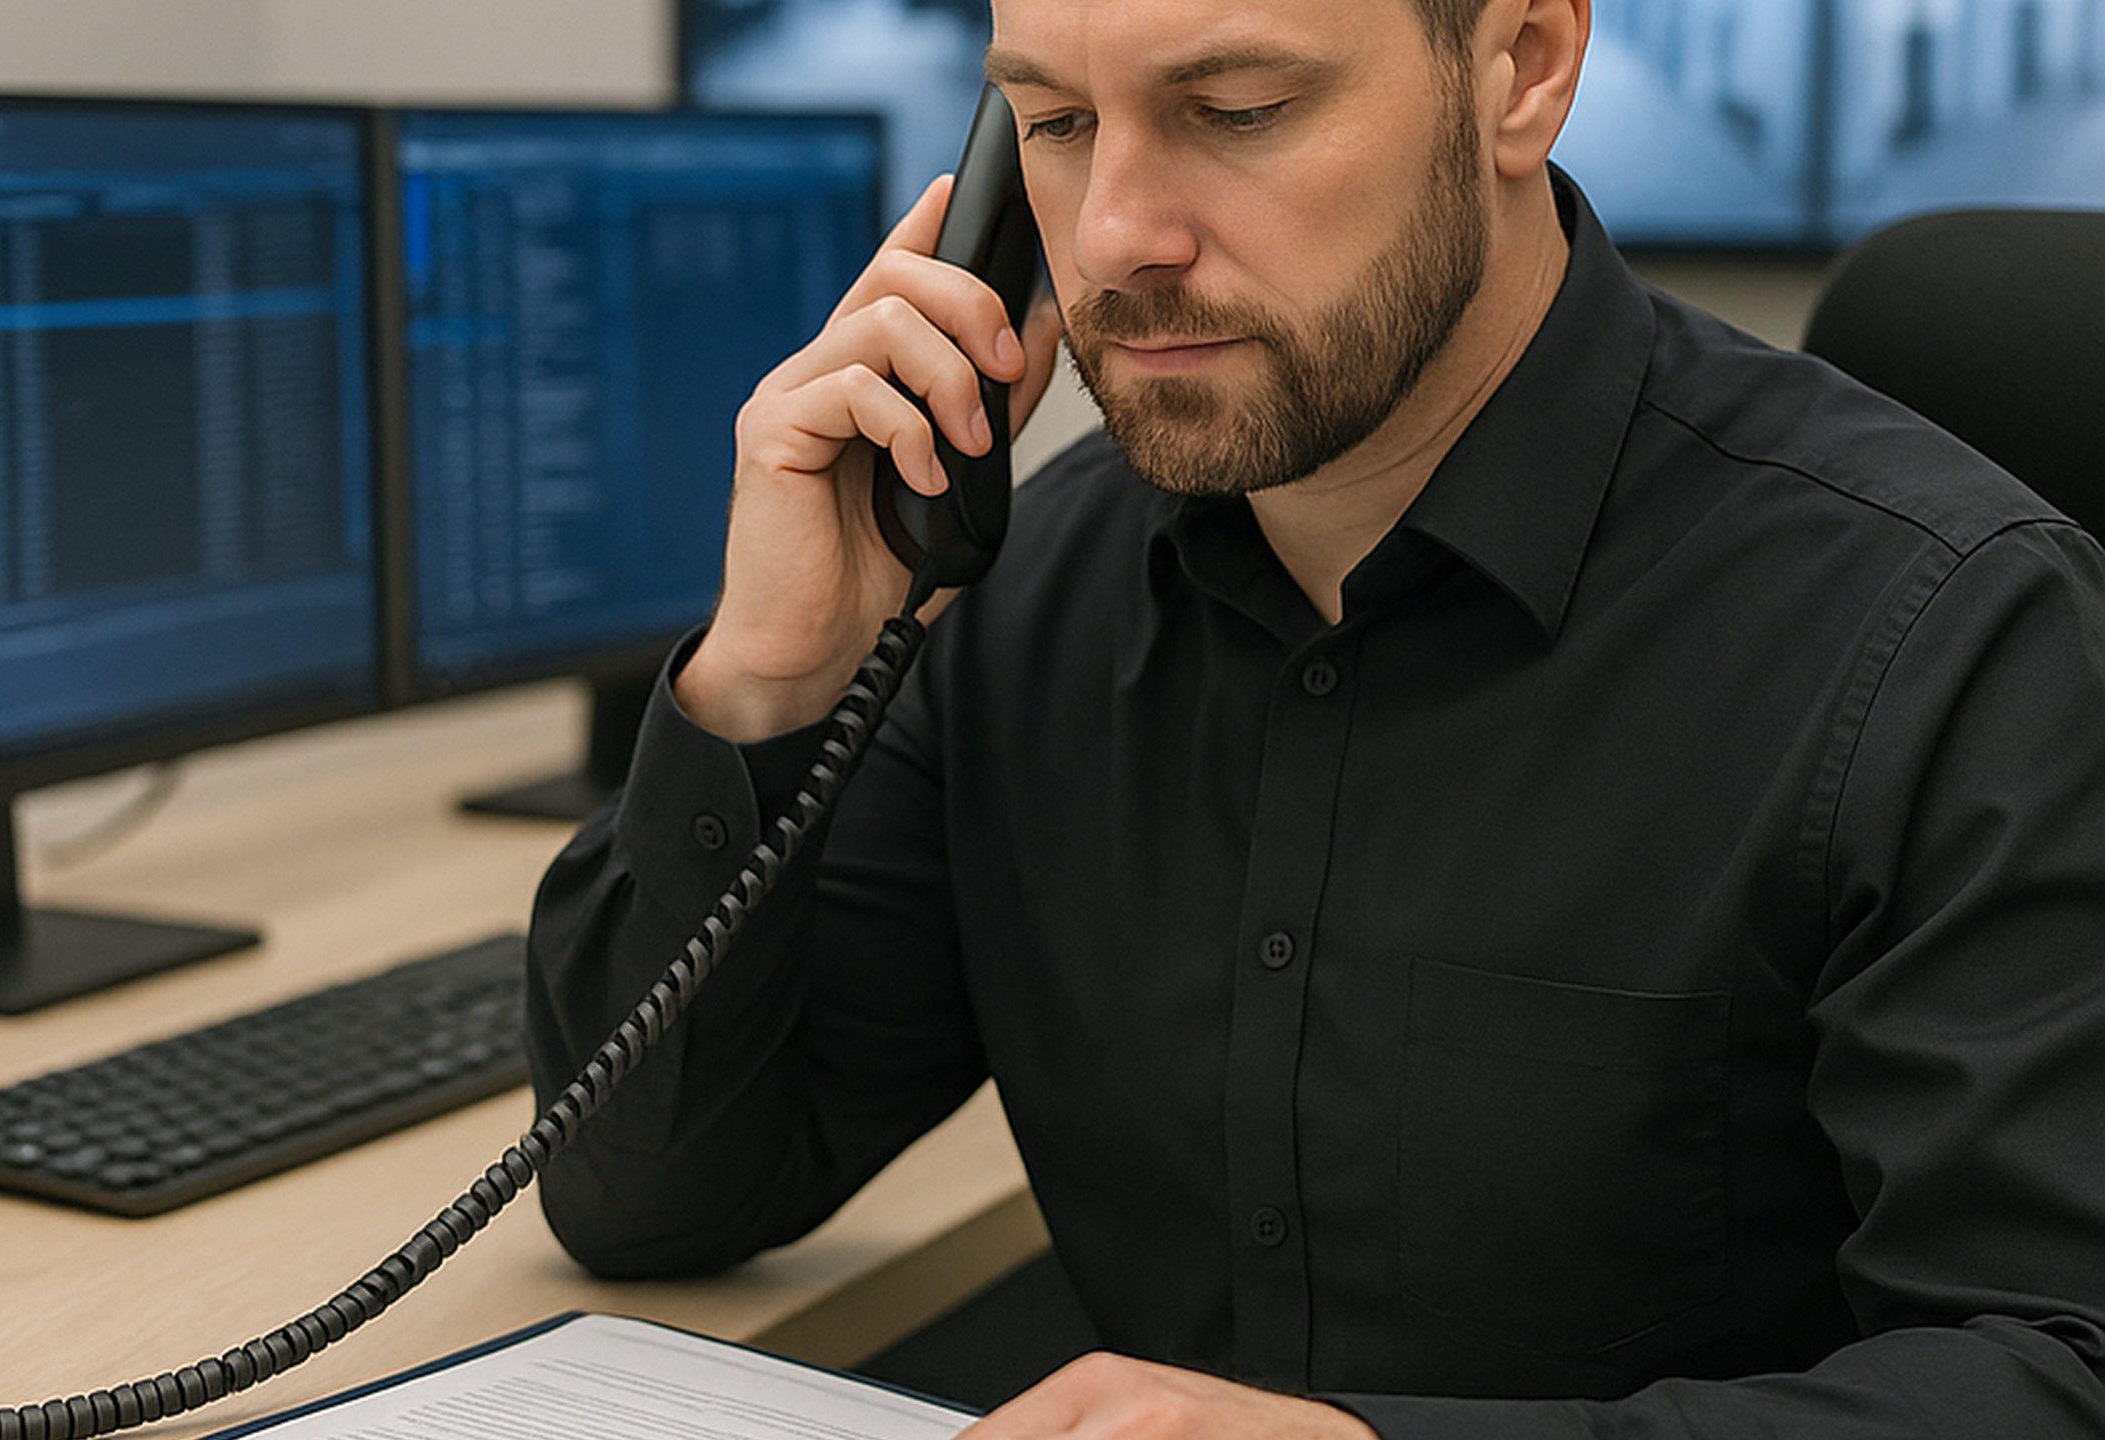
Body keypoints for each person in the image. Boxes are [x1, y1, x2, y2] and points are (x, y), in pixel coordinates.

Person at [523, 0, 2105, 1433]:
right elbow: (650, 1198)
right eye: (1057, 127)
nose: (1120, 235)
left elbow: (2051, 1368)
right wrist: (769, 676)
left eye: (1237, 110)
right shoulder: (1018, 595)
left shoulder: (1950, 632)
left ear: (1521, 69)